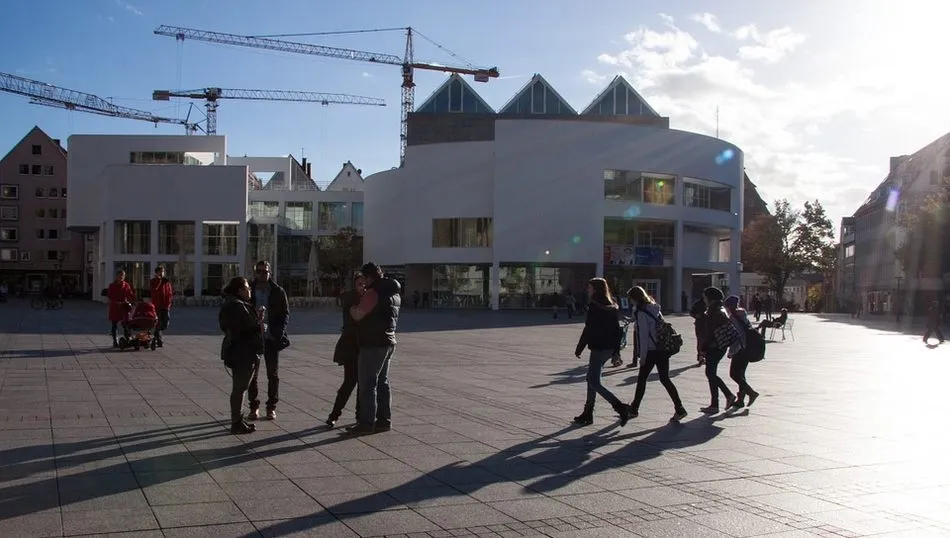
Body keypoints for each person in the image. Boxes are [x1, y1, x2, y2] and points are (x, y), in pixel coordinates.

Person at [347, 262, 401, 435]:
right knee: (382, 382)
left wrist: (352, 307)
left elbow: (358, 314)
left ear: (370, 277)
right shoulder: (393, 293)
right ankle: (384, 420)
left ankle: (366, 423)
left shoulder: (373, 293)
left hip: (372, 343)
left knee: (368, 384)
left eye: (364, 277)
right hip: (389, 341)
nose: (363, 281)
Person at [572, 278, 630, 426]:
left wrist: (580, 347)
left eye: (590, 288)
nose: (588, 290)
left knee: (594, 381)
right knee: (590, 378)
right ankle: (588, 412)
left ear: (596, 290)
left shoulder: (594, 306)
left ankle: (620, 407)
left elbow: (588, 328)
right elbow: (617, 331)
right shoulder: (612, 305)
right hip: (609, 348)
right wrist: (616, 351)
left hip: (598, 347)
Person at [625, 286, 687, 423]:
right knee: (665, 379)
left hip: (651, 350)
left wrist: (642, 356)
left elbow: (643, 335)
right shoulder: (654, 308)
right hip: (662, 348)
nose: (630, 301)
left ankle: (634, 409)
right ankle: (680, 408)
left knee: (641, 380)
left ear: (634, 298)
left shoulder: (641, 313)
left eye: (630, 299)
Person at [219, 277, 264, 434]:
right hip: (243, 351)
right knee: (240, 388)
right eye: (247, 288)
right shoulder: (237, 306)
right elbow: (248, 327)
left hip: (240, 350)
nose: (249, 290)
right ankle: (236, 422)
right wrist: (259, 322)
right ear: (239, 290)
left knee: (240, 387)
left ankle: (238, 420)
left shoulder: (233, 304)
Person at [248, 261, 290, 421]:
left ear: (270, 273)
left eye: (265, 271)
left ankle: (271, 406)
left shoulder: (278, 291)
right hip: (254, 338)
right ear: (255, 273)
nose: (262, 274)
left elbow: (285, 313)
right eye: (259, 271)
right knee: (253, 374)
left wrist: (278, 332)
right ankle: (254, 406)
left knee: (273, 374)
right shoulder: (249, 290)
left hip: (271, 338)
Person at [327, 272, 365, 427]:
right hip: (351, 346)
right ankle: (334, 414)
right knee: (350, 381)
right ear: (354, 285)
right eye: (359, 284)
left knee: (362, 382)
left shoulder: (368, 298)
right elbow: (353, 320)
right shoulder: (351, 300)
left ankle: (359, 415)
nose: (362, 287)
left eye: (364, 284)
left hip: (364, 346)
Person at [724, 295, 759, 409]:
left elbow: (737, 336)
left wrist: (731, 351)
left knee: (733, 374)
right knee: (741, 374)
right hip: (748, 348)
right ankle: (741, 400)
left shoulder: (733, 318)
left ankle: (751, 393)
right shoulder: (743, 315)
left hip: (740, 350)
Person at [107, 270, 135, 348]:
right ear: (116, 276)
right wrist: (116, 302)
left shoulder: (126, 285)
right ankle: (115, 340)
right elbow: (110, 296)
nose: (122, 277)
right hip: (115, 307)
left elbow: (130, 294)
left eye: (123, 275)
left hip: (124, 307)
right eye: (120, 275)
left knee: (126, 324)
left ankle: (127, 338)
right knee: (114, 324)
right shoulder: (112, 286)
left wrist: (134, 300)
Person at [149, 265, 173, 347]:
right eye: (160, 271)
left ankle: (156, 335)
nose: (162, 273)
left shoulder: (166, 282)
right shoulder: (153, 281)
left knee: (165, 323)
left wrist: (169, 303)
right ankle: (158, 339)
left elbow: (169, 293)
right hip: (157, 305)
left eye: (163, 272)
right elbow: (154, 289)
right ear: (156, 273)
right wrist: (159, 280)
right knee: (158, 323)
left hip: (165, 305)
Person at [689, 299, 707, 366]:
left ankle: (703, 357)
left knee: (704, 341)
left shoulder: (711, 303)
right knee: (701, 341)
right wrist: (696, 315)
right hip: (700, 324)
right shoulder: (698, 304)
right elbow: (691, 312)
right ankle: (701, 357)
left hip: (707, 324)